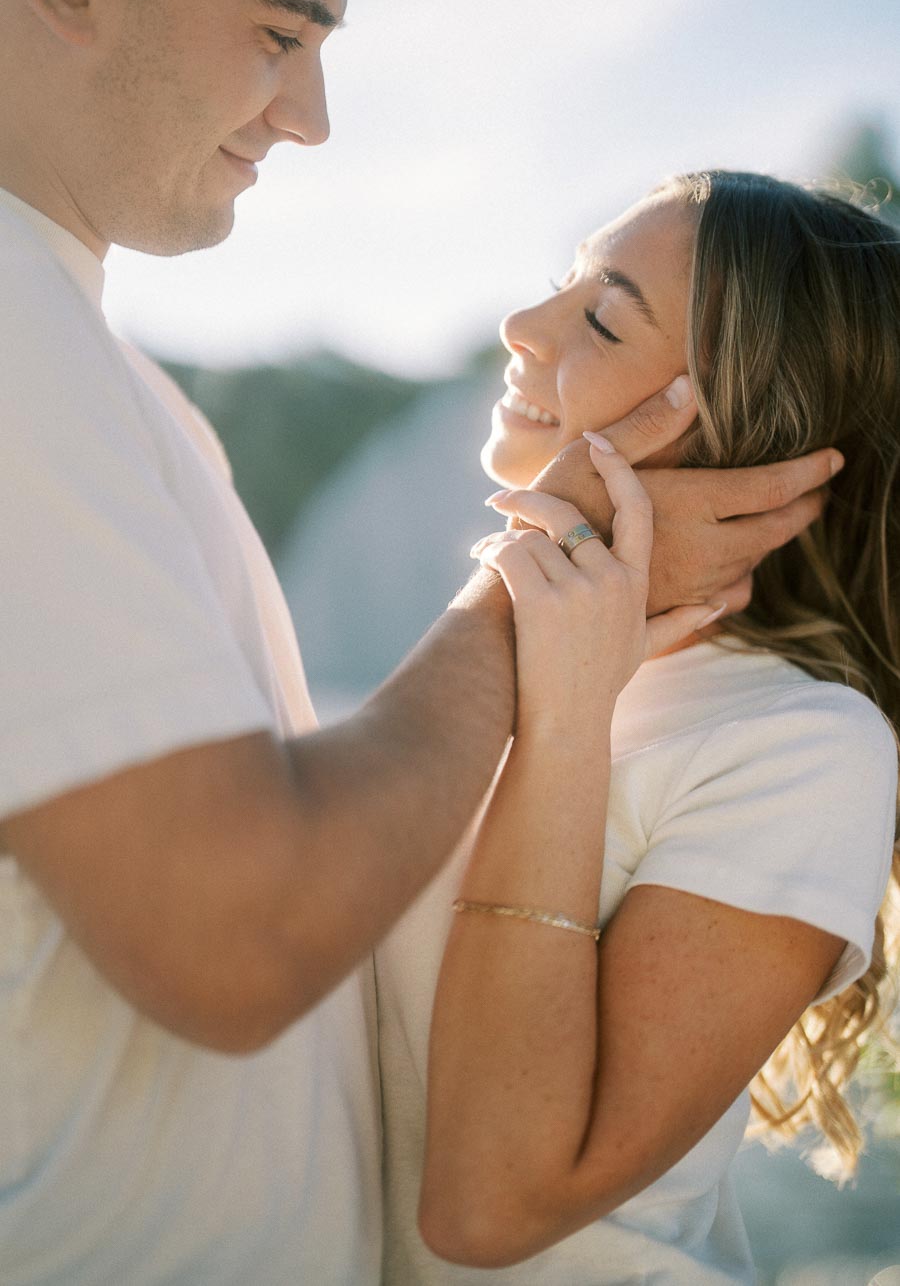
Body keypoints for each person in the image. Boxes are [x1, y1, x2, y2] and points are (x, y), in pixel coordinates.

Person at [0, 0, 844, 1279]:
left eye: (605, 315)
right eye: (283, 31)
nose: (314, 116)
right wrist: (536, 595)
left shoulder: (109, 386)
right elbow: (246, 930)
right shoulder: (20, 348)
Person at [374, 171, 900, 1285]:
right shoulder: (502, 653)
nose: (521, 326)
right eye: (558, 287)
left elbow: (494, 1204)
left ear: (747, 427)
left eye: (602, 316)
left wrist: (565, 719)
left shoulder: (808, 746)